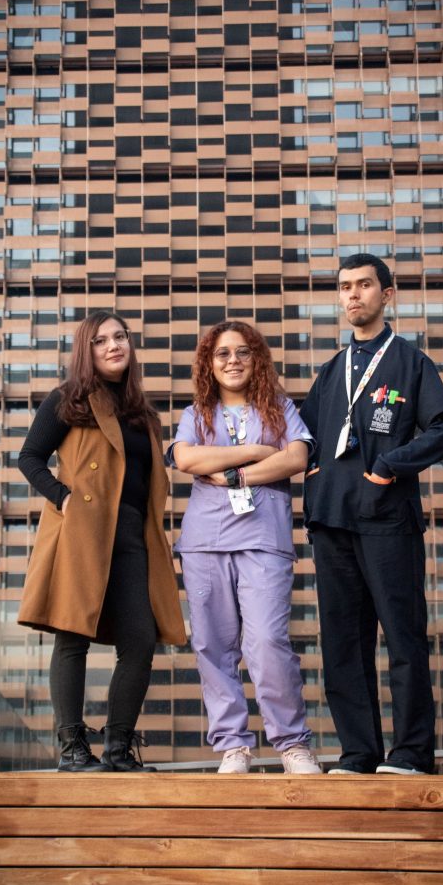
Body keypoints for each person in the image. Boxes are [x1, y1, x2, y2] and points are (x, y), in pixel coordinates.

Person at [301, 253, 443, 776]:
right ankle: (358, 753)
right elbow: (300, 437)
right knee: (343, 644)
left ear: (386, 294)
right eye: (345, 287)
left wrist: (389, 466)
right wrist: (312, 473)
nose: (353, 295)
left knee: (403, 636)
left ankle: (411, 754)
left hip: (387, 518)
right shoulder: (329, 371)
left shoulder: (411, 363)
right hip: (332, 520)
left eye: (364, 285)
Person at [17, 310, 186, 772]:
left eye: (120, 337)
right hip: (83, 530)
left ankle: (116, 749)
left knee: (141, 641)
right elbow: (29, 456)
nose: (114, 346)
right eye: (101, 340)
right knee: (72, 636)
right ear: (85, 351)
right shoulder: (68, 400)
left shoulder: (142, 415)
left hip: (134, 534)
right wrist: (62, 497)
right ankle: (73, 750)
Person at [167, 321, 321, 775]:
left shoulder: (281, 407)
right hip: (205, 542)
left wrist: (234, 473)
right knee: (212, 644)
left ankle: (293, 744)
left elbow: (296, 457)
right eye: (222, 354)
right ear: (208, 365)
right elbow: (185, 458)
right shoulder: (198, 413)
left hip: (263, 541)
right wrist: (256, 452)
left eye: (242, 352)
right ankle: (234, 745)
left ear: (257, 359)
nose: (232, 361)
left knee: (268, 641)